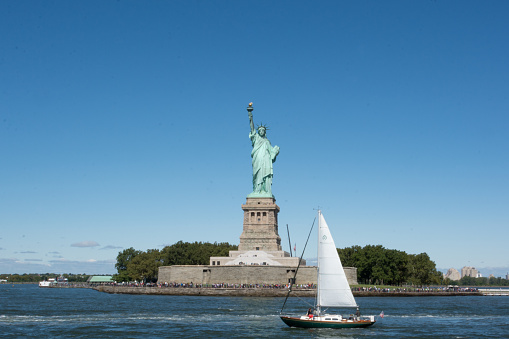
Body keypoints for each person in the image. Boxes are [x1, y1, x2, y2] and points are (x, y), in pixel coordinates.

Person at [247, 103, 280, 197]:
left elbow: (272, 153)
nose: (261, 131)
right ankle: (256, 191)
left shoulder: (267, 142)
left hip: (265, 160)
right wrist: (250, 115)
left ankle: (265, 190)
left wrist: (275, 151)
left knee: (265, 174)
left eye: (263, 130)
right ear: (258, 131)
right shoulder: (256, 138)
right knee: (256, 175)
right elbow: (252, 127)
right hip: (257, 159)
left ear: (264, 132)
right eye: (260, 130)